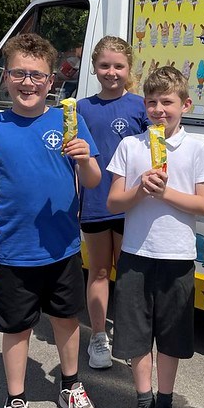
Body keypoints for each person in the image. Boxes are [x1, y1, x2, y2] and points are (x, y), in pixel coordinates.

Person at [0, 33, 102, 408]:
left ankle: (71, 385)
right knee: (18, 328)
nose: (28, 82)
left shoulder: (68, 121)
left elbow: (93, 181)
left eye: (37, 75)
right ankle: (15, 401)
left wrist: (85, 159)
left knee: (66, 320)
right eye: (20, 73)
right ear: (6, 77)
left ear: (51, 81)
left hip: (62, 248)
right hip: (14, 250)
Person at [107, 65, 204, 408]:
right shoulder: (131, 147)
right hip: (137, 255)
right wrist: (140, 189)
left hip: (177, 257)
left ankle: (165, 407)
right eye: (151, 102)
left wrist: (165, 191)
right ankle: (142, 404)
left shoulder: (197, 149)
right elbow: (113, 201)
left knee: (170, 338)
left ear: (184, 104)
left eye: (167, 102)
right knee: (137, 336)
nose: (159, 110)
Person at [77, 36, 147, 369]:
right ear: (94, 67)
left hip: (131, 204)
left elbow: (158, 150)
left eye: (119, 66)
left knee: (130, 275)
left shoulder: (140, 106)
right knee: (100, 271)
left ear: (128, 68)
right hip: (94, 204)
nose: (111, 72)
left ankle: (132, 338)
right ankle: (98, 336)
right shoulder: (82, 108)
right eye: (104, 65)